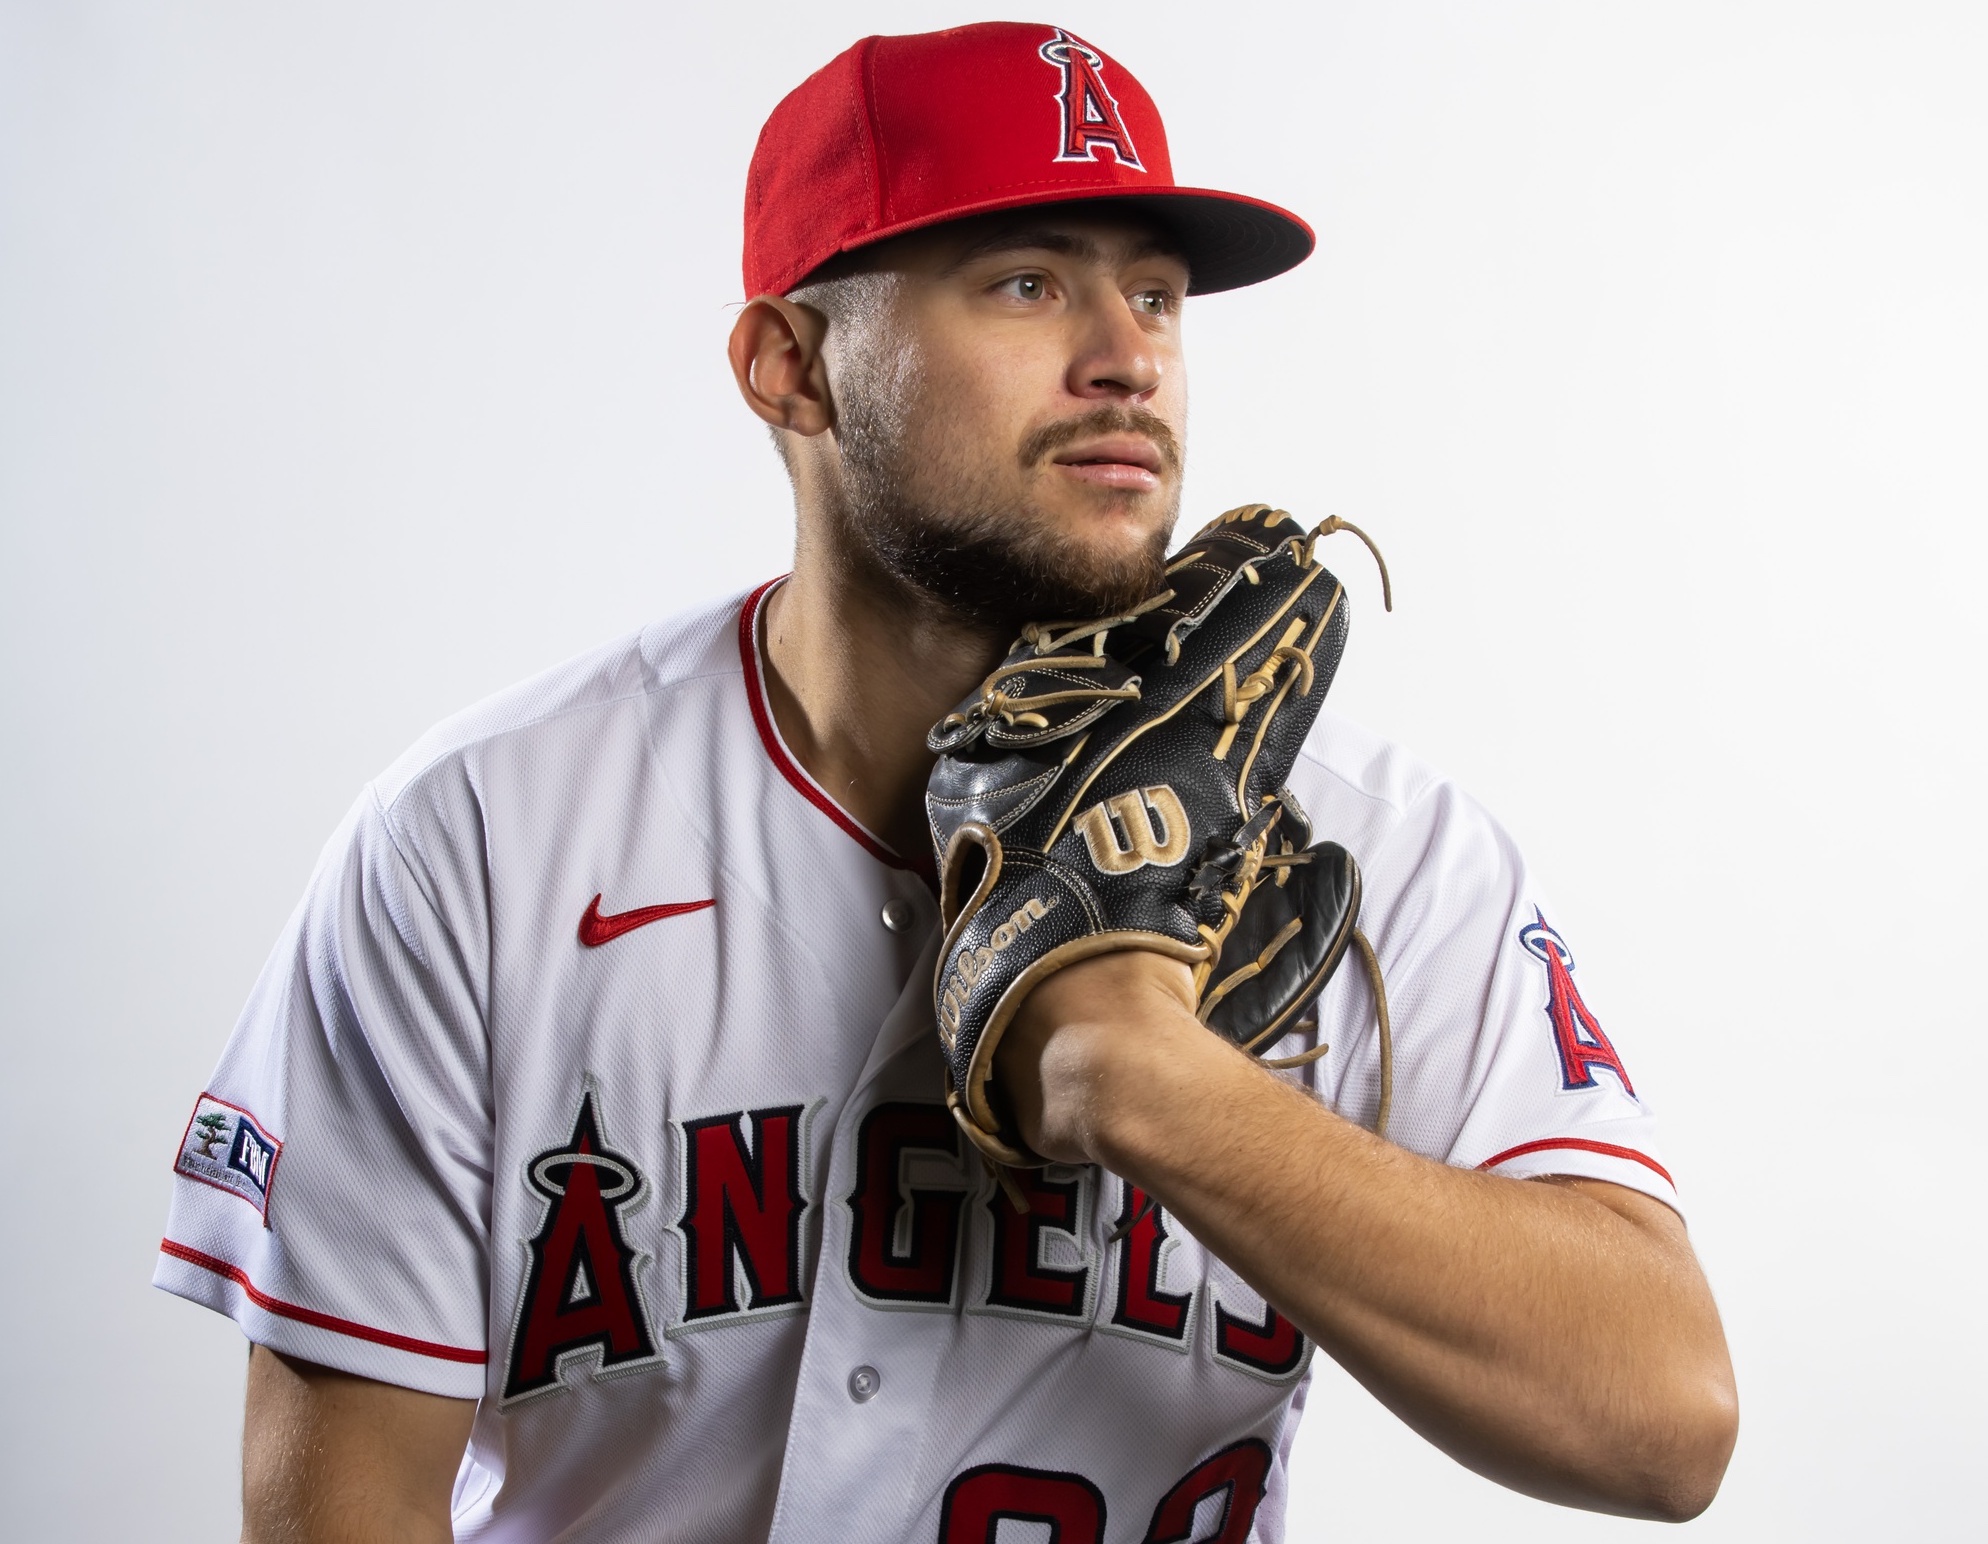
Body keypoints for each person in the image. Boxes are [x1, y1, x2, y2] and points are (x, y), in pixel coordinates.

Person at [156, 22, 1737, 1541]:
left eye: (1161, 296)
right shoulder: (486, 843)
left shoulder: (1382, 845)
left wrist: (1154, 1081)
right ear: (792, 366)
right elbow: (341, 1507)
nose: (1128, 359)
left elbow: (1663, 1418)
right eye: (1028, 282)